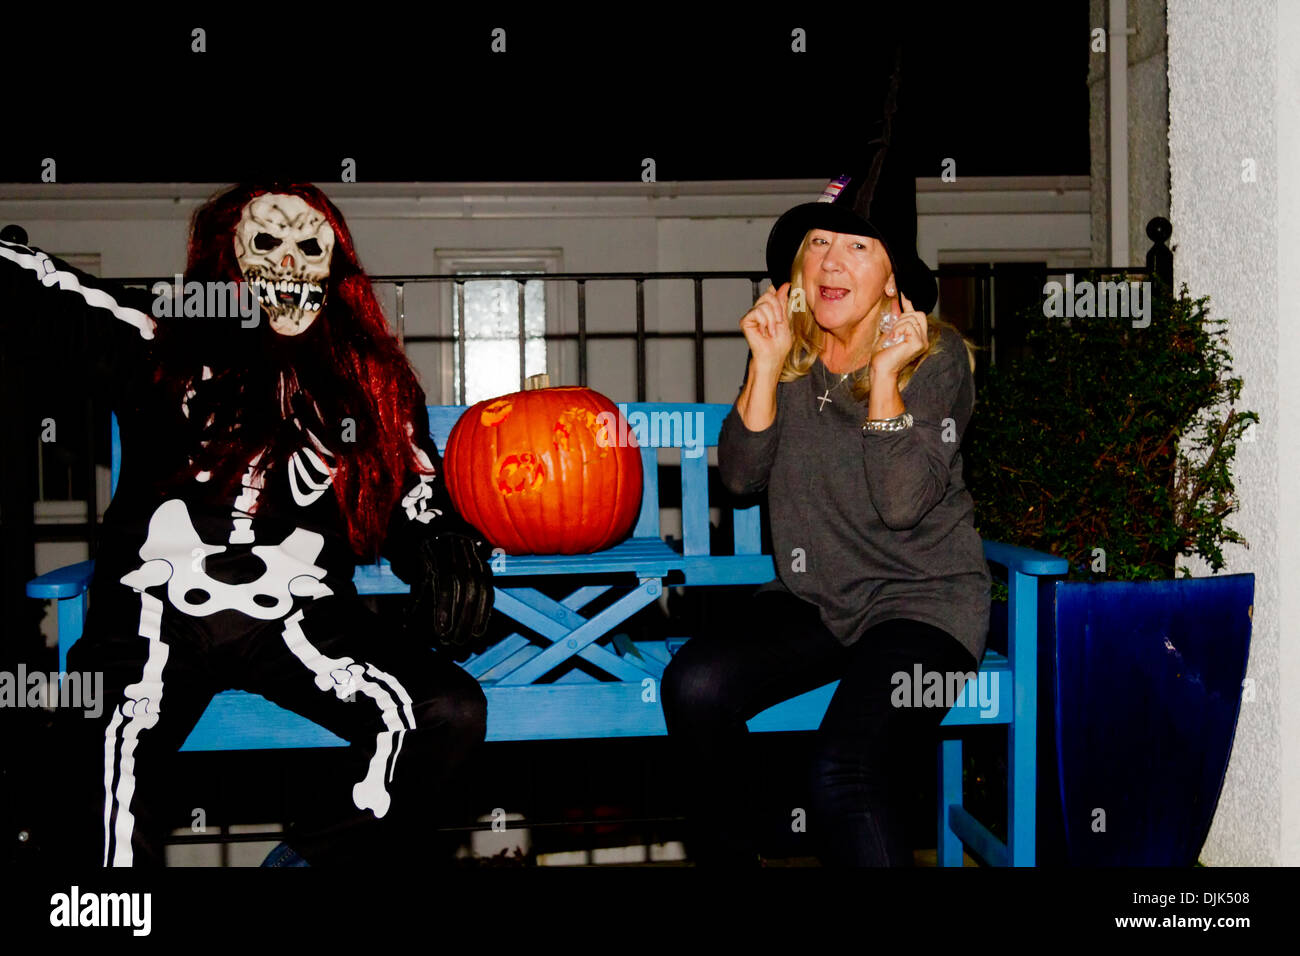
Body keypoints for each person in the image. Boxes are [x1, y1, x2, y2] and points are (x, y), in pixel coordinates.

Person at [0, 183, 495, 867]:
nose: (288, 264)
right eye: (267, 242)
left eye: (308, 246)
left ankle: (306, 863)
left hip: (300, 615)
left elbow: (414, 487)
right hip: (156, 610)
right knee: (103, 782)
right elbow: (59, 292)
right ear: (224, 261)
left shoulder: (367, 378)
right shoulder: (160, 338)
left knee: (449, 712)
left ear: (336, 262)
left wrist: (441, 538)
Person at [661, 131, 991, 867]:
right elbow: (741, 478)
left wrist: (882, 381)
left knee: (845, 772)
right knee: (695, 685)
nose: (832, 262)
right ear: (797, 269)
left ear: (892, 279)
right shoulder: (793, 358)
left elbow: (904, 503)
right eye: (819, 243)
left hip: (923, 609)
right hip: (819, 602)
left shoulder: (934, 361)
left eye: (858, 248)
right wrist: (765, 364)